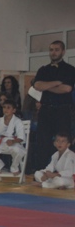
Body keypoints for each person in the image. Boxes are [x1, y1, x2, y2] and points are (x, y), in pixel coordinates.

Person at [31, 40, 75, 168]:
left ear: (63, 52)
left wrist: (46, 86)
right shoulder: (43, 69)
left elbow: (67, 88)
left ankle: (63, 171)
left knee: (63, 141)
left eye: (56, 50)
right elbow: (37, 85)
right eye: (51, 50)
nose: (53, 52)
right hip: (46, 110)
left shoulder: (70, 69)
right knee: (42, 142)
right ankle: (41, 171)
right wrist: (56, 83)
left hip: (63, 110)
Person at [0, 100, 26, 175]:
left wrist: (13, 141)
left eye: (8, 108)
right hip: (1, 143)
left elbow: (21, 137)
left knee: (18, 151)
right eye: (4, 107)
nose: (6, 110)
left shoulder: (18, 121)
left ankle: (14, 167)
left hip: (13, 143)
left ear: (14, 110)